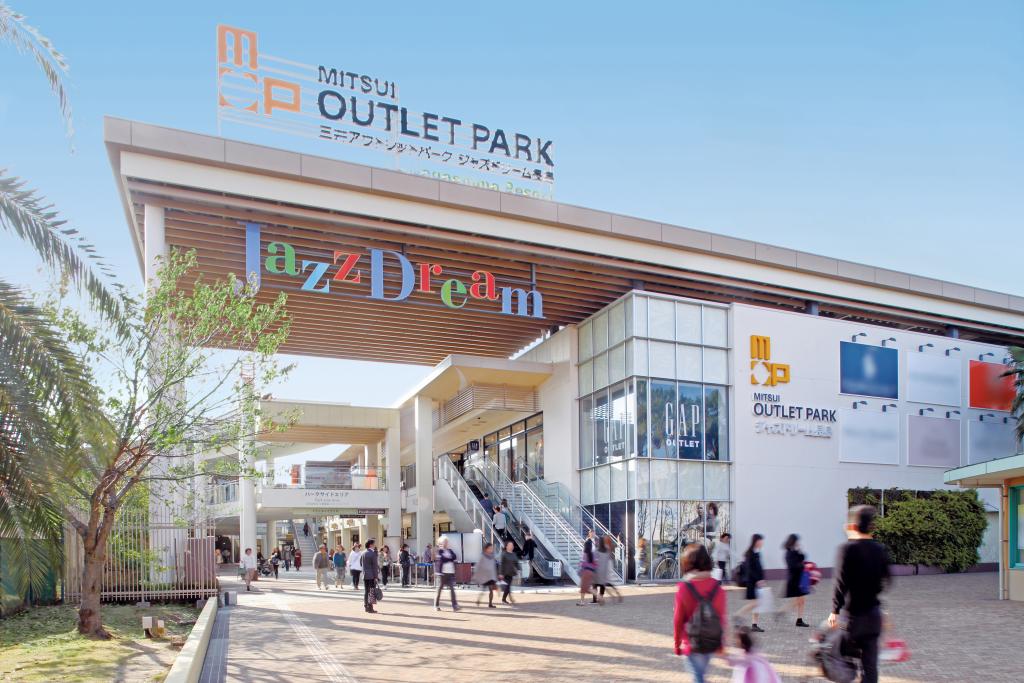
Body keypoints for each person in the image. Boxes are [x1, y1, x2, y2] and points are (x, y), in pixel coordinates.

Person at [828, 505, 892, 683]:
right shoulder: (880, 549)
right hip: (873, 617)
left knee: (839, 659)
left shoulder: (847, 549)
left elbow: (840, 583)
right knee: (870, 666)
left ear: (853, 526)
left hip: (853, 619)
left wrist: (834, 611)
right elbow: (887, 581)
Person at [673, 544, 727, 683]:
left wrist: (677, 644)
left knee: (698, 678)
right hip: (711, 642)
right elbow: (721, 619)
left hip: (691, 643)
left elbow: (678, 619)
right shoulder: (718, 588)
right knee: (700, 676)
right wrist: (721, 644)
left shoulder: (683, 588)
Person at [735, 534, 765, 632]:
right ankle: (738, 614)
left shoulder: (757, 552)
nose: (762, 543)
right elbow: (750, 570)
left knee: (757, 603)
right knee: (756, 603)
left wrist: (761, 579)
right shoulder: (750, 553)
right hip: (752, 582)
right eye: (761, 541)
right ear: (756, 541)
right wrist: (758, 580)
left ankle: (754, 624)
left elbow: (758, 568)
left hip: (757, 582)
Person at [782, 533, 810, 627]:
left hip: (799, 578)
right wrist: (802, 566)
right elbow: (792, 566)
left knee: (801, 600)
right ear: (793, 541)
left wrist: (800, 550)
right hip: (794, 580)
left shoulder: (794, 551)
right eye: (797, 541)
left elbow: (803, 558)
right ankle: (782, 611)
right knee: (799, 600)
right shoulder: (788, 553)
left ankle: (799, 620)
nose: (798, 543)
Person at [434, 536, 460, 611]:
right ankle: (436, 605)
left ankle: (455, 605)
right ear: (441, 543)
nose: (446, 543)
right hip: (442, 574)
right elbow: (442, 559)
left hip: (450, 573)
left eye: (446, 542)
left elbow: (454, 556)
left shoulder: (450, 550)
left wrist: (448, 558)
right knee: (439, 589)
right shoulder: (439, 551)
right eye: (444, 542)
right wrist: (450, 559)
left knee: (452, 589)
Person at [595, 535, 623, 604]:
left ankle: (602, 597)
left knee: (602, 583)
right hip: (608, 566)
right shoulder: (607, 548)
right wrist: (618, 542)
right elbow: (610, 555)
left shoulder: (597, 550)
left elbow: (596, 560)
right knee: (607, 583)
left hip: (601, 568)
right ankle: (616, 593)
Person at [474, 542, 499, 607]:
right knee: (483, 590)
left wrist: (495, 576)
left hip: (491, 576)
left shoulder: (492, 556)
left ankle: (490, 604)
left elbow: (493, 567)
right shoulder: (482, 556)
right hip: (485, 576)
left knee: (491, 590)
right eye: (490, 548)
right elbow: (478, 566)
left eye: (492, 548)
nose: (491, 549)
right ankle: (478, 600)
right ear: (486, 549)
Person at [577, 530, 597, 606]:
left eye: (593, 533)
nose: (593, 534)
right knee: (587, 586)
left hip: (588, 569)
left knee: (585, 586)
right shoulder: (589, 543)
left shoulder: (587, 553)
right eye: (591, 533)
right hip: (590, 568)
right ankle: (584, 601)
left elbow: (584, 560)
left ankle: (597, 598)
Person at [499, 540, 519, 605]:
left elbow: (516, 562)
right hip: (505, 573)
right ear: (506, 546)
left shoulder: (514, 554)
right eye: (510, 545)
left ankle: (509, 598)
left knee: (508, 586)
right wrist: (501, 573)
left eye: (512, 545)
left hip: (511, 573)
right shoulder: (504, 554)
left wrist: (518, 569)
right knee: (507, 586)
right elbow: (501, 564)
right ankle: (504, 599)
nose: (511, 546)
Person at [362, 539, 380, 614]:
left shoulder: (363, 553)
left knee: (366, 591)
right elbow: (375, 566)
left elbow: (361, 563)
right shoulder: (372, 554)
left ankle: (366, 606)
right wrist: (376, 576)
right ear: (370, 545)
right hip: (371, 575)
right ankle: (370, 607)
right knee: (371, 591)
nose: (374, 545)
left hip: (365, 574)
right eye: (373, 544)